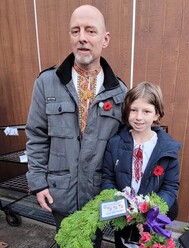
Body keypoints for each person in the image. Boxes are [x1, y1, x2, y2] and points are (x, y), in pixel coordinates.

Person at [25, 4, 127, 233]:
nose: (82, 37)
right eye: (75, 31)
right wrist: (38, 182)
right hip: (60, 192)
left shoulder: (119, 92)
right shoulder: (46, 83)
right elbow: (37, 136)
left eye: (90, 31)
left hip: (97, 194)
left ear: (105, 39)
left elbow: (125, 146)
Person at [101, 81, 181, 248]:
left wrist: (150, 212)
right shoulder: (115, 144)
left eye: (146, 111)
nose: (138, 117)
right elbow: (107, 178)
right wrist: (121, 206)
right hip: (124, 220)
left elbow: (170, 187)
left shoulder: (168, 149)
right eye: (133, 110)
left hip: (154, 220)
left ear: (157, 114)